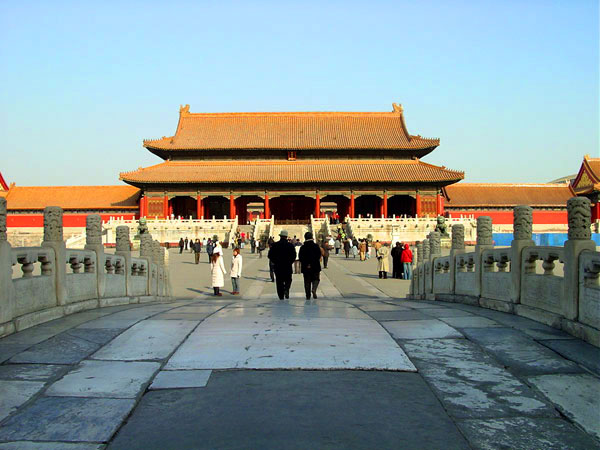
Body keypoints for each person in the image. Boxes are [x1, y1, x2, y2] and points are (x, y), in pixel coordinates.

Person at [268, 230, 296, 300]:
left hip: (278, 266)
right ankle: (286, 289)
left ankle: (281, 296)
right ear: (286, 237)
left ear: (280, 236)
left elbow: (270, 255)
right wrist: (290, 262)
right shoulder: (290, 245)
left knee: (279, 281)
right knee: (288, 279)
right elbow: (294, 256)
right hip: (287, 266)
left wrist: (275, 261)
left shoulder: (275, 245)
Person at [299, 231, 322, 300]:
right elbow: (318, 255)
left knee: (307, 281)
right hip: (315, 266)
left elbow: (301, 257)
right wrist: (312, 263)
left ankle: (308, 296)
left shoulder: (303, 247)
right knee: (316, 279)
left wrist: (307, 264)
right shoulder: (316, 246)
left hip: (306, 267)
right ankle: (314, 289)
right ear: (312, 237)